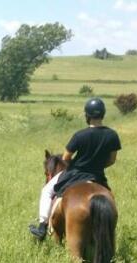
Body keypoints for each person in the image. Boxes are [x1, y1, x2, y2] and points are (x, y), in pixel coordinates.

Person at [29, 97, 121, 240]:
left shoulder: (80, 135)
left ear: (87, 116)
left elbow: (65, 158)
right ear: (103, 114)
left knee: (46, 191)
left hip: (75, 174)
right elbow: (111, 160)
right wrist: (96, 166)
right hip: (97, 176)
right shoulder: (112, 135)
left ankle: (42, 226)